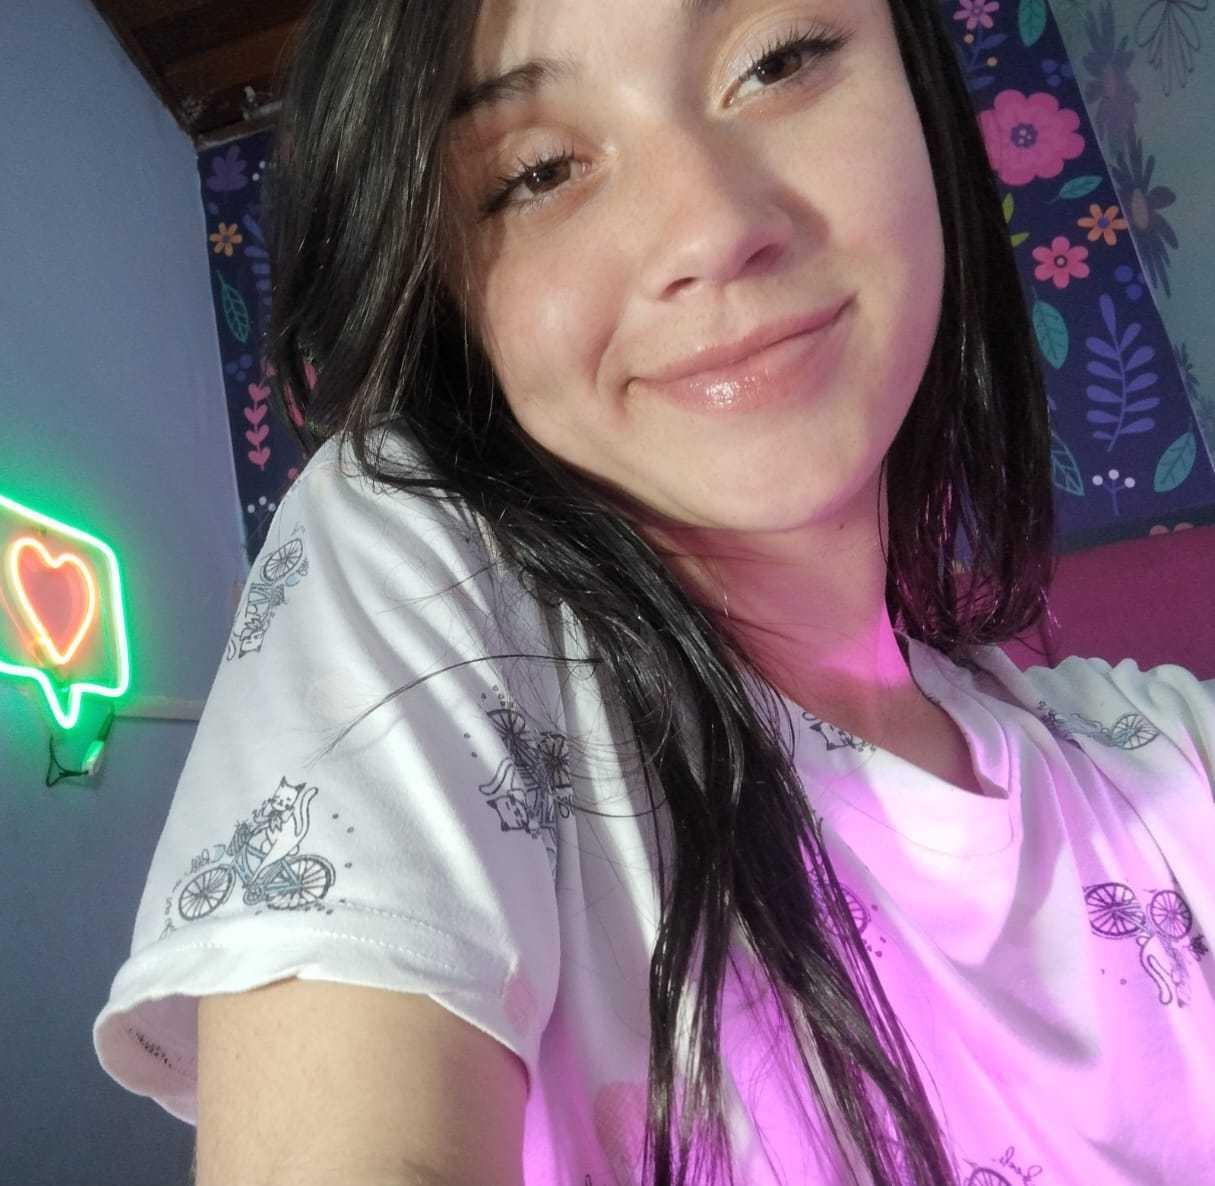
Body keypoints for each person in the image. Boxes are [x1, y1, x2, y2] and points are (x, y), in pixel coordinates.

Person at [93, 0, 1215, 1181]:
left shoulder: (1167, 764)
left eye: (778, 62)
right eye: (538, 172)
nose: (713, 228)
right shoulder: (411, 561)